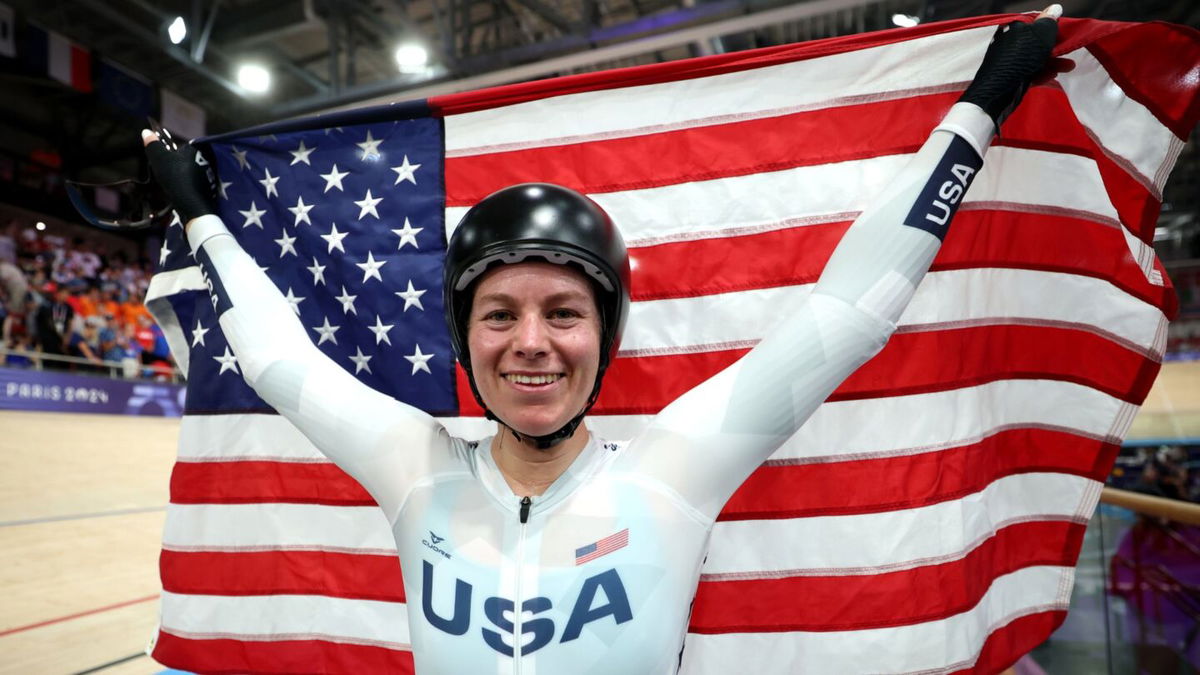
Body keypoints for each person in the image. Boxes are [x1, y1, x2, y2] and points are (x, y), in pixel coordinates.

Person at [142, 9, 1061, 673]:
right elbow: (276, 359)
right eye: (499, 314)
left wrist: (976, 113)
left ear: (604, 334)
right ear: (464, 340)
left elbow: (848, 315)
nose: (531, 342)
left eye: (564, 313)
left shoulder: (675, 466)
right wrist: (201, 218)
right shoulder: (411, 464)